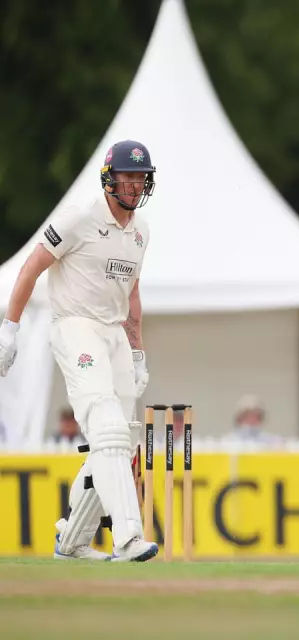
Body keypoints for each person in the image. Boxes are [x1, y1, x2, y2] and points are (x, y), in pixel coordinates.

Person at [0, 140, 157, 562]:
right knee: (105, 426)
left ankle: (71, 541)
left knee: (122, 439)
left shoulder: (141, 232)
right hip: (74, 326)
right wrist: (9, 329)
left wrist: (137, 350)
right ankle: (128, 537)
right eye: (128, 176)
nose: (135, 184)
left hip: (114, 335)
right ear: (109, 179)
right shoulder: (78, 219)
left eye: (141, 177)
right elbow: (32, 267)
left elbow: (133, 294)